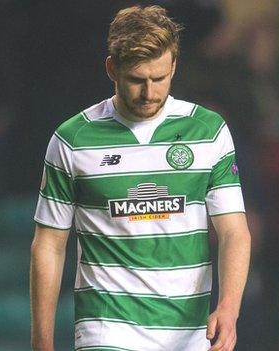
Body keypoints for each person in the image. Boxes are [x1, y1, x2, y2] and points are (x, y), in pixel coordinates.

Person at [30, 6, 251, 351]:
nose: (149, 92)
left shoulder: (208, 132)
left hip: (188, 332)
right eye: (136, 79)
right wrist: (41, 342)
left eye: (159, 78)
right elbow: (49, 245)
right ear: (111, 69)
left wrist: (229, 308)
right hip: (106, 329)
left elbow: (234, 231)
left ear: (174, 66)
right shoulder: (72, 140)